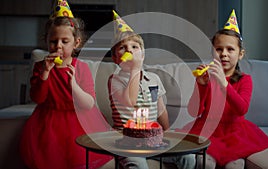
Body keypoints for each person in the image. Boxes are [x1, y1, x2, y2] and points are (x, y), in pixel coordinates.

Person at [19, 1, 112, 168]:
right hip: (49, 120)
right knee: (50, 157)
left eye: (65, 41)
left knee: (79, 158)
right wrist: (45, 75)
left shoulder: (81, 68)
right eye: (53, 41)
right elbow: (37, 98)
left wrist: (74, 86)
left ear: (76, 43)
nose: (58, 46)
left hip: (79, 119)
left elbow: (89, 103)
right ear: (46, 41)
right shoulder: (40, 67)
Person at [180, 10, 268, 169]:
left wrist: (224, 83)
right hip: (207, 130)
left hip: (235, 133)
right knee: (205, 163)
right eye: (219, 49)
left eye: (230, 49)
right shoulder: (207, 78)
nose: (224, 54)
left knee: (235, 165)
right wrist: (201, 86)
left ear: (240, 54)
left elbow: (241, 109)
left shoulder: (245, 80)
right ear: (213, 52)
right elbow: (193, 112)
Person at [108, 10, 196, 169]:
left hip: (153, 138)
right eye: (123, 47)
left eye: (135, 47)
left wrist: (167, 132)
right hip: (126, 139)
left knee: (188, 159)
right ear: (115, 58)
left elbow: (161, 109)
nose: (130, 50)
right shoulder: (115, 80)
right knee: (137, 165)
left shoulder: (154, 79)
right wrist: (135, 70)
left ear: (142, 55)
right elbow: (130, 101)